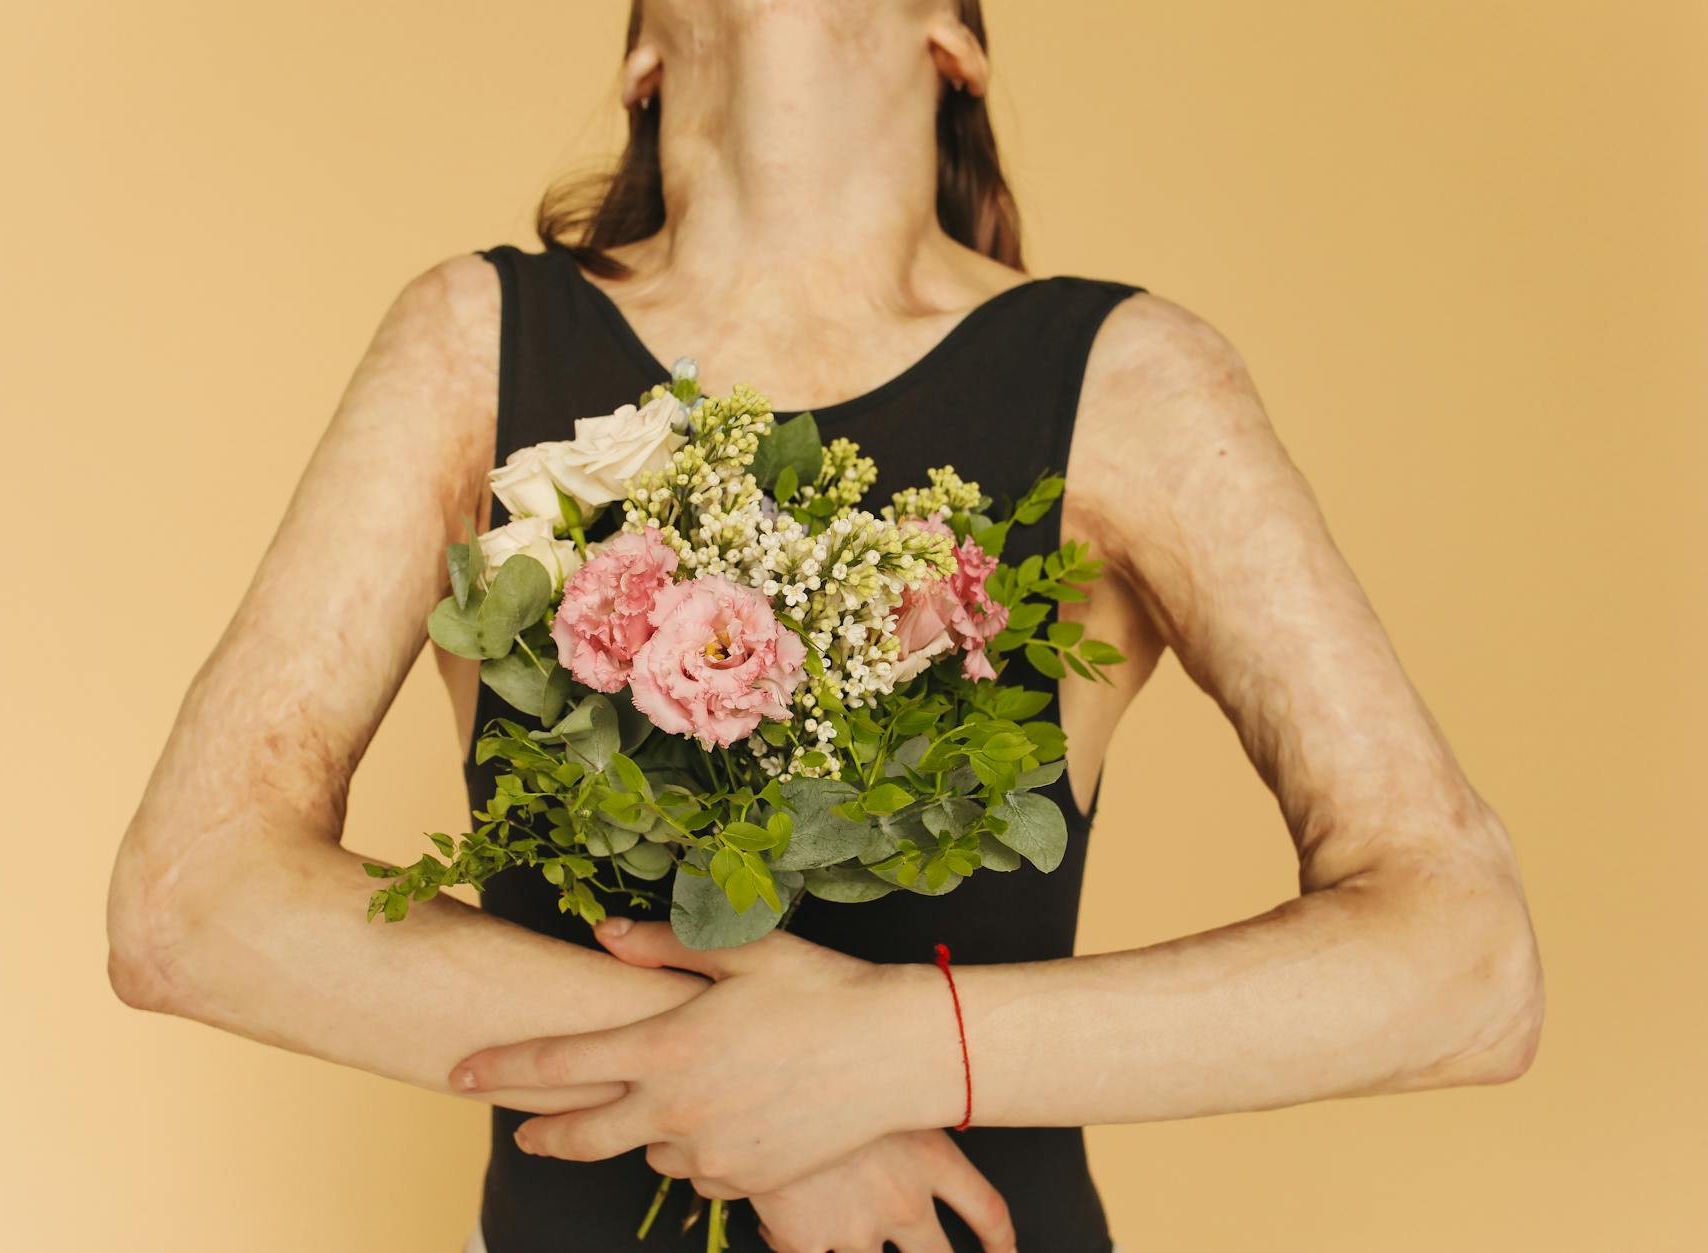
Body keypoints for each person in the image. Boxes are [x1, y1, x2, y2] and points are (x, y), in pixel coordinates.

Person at [104, 2, 1545, 1250]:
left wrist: (895, 1053)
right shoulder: (470, 339)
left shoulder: (1134, 383)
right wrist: (776, 1093)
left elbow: (1466, 965)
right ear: (646, 62)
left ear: (955, 45)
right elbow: (192, 903)